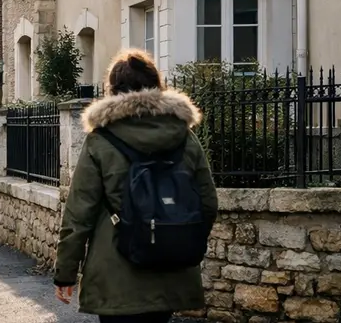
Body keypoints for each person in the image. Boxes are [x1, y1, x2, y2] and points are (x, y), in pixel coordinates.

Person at [54, 49, 218, 323]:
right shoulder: (184, 136)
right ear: (157, 85)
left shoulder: (101, 141)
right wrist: (176, 236)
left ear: (113, 90)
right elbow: (208, 203)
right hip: (170, 272)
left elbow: (78, 214)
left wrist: (65, 273)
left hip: (116, 274)